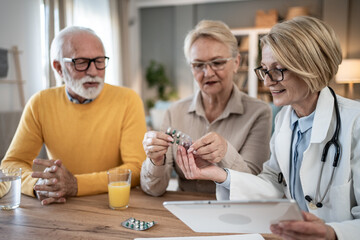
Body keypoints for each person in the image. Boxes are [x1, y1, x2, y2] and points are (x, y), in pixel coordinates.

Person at [176, 16, 360, 239]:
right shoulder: (285, 119)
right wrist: (221, 175)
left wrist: (332, 232)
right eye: (264, 70)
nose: (267, 81)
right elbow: (273, 184)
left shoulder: (355, 122)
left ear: (312, 68)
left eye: (278, 70)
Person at [0, 26, 147, 205]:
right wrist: (39, 184)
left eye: (99, 61)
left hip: (115, 204)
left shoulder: (128, 100)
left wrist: (76, 185)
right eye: (82, 62)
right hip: (61, 205)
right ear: (59, 67)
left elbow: (137, 169)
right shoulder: (40, 103)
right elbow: (11, 164)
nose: (93, 71)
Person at [141, 20, 272, 196]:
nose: (208, 73)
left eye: (217, 62)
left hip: (233, 211)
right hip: (183, 210)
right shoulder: (175, 112)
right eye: (198, 65)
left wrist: (226, 151)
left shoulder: (259, 113)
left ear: (236, 62)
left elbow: (254, 187)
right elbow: (153, 189)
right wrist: (156, 161)